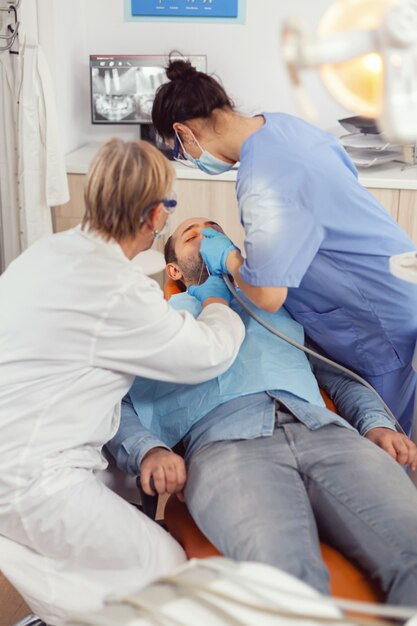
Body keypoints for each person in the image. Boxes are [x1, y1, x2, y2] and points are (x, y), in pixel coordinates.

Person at [109, 216, 417, 606]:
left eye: (213, 231)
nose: (204, 234)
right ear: (173, 270)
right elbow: (113, 400)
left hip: (326, 432)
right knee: (288, 583)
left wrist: (376, 425)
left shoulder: (275, 309)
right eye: (191, 235)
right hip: (226, 449)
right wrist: (148, 451)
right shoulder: (160, 319)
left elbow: (340, 377)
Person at [0, 140, 245, 625]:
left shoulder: (47, 251)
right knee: (167, 570)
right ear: (156, 216)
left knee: (109, 524)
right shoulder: (122, 292)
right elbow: (206, 353)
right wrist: (217, 299)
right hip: (32, 476)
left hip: (20, 451)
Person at [151, 57, 417, 435]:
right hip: (391, 276)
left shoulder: (262, 179)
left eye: (180, 150)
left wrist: (228, 256)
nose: (188, 157)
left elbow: (269, 297)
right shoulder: (285, 127)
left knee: (388, 441)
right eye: (191, 237)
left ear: (185, 132)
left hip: (372, 315)